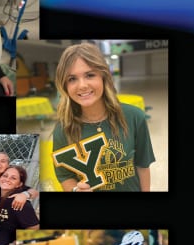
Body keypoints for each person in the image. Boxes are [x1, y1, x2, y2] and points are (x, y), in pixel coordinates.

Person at [50, 42, 156, 192]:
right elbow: (64, 176)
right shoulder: (63, 129)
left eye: (90, 75)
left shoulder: (134, 117)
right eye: (72, 79)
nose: (82, 85)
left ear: (103, 76)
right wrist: (75, 190)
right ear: (64, 85)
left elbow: (143, 165)